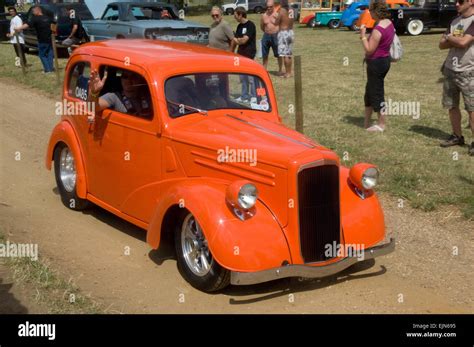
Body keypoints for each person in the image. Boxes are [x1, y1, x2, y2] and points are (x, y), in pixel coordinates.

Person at [439, 0, 474, 156]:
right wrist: (451, 38)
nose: (456, 4)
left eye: (460, 1)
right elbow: (441, 45)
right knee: (452, 105)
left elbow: (463, 42)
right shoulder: (454, 21)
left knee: (471, 109)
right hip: (450, 69)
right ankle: (457, 136)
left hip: (468, 71)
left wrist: (449, 37)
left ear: (471, 1)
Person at [359, 0, 394, 132]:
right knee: (369, 92)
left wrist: (362, 37)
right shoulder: (388, 23)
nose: (369, 14)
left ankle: (381, 124)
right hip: (384, 61)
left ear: (376, 11)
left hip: (376, 63)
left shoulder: (378, 29)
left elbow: (369, 49)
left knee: (377, 93)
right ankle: (366, 122)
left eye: (371, 11)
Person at [15, 6, 55, 74]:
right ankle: (51, 68)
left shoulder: (35, 18)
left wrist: (19, 28)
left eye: (33, 11)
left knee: (42, 55)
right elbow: (54, 24)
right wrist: (54, 32)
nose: (33, 13)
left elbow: (27, 25)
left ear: (38, 11)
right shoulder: (48, 18)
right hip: (49, 39)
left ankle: (48, 70)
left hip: (42, 39)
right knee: (49, 54)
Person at [231, 7, 257, 102]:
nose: (234, 17)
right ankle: (244, 96)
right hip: (240, 54)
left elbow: (244, 40)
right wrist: (238, 41)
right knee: (242, 76)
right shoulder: (239, 26)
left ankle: (254, 96)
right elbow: (238, 40)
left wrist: (237, 40)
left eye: (235, 15)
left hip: (249, 53)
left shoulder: (250, 25)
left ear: (240, 15)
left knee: (250, 76)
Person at [260, 0, 283, 74]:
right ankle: (264, 70)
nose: (269, 8)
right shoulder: (263, 16)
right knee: (264, 54)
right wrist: (267, 32)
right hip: (266, 35)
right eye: (267, 7)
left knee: (278, 54)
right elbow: (262, 26)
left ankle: (280, 70)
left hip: (275, 35)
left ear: (274, 6)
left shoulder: (277, 15)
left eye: (270, 7)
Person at [275, 0, 294, 78]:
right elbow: (292, 20)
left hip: (283, 33)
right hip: (290, 32)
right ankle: (289, 71)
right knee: (289, 54)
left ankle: (287, 73)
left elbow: (276, 22)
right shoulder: (291, 10)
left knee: (285, 55)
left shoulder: (281, 11)